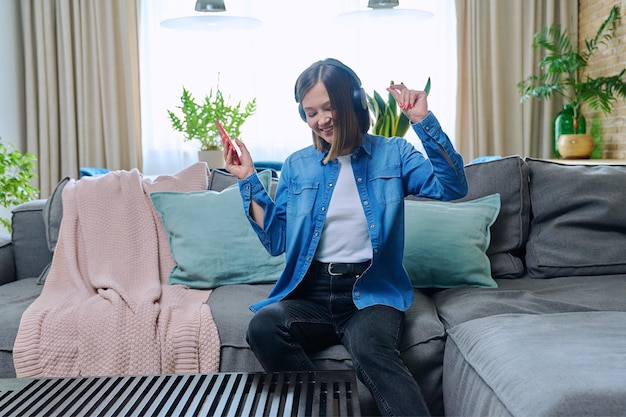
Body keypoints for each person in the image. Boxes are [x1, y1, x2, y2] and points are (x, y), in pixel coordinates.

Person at [224, 58, 468, 417]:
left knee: (372, 350)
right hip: (313, 294)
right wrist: (247, 179)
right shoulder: (297, 165)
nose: (321, 120)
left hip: (372, 291)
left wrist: (421, 122)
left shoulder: (394, 154)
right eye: (310, 112)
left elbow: (452, 187)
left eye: (328, 107)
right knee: (264, 326)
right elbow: (277, 239)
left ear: (352, 104)